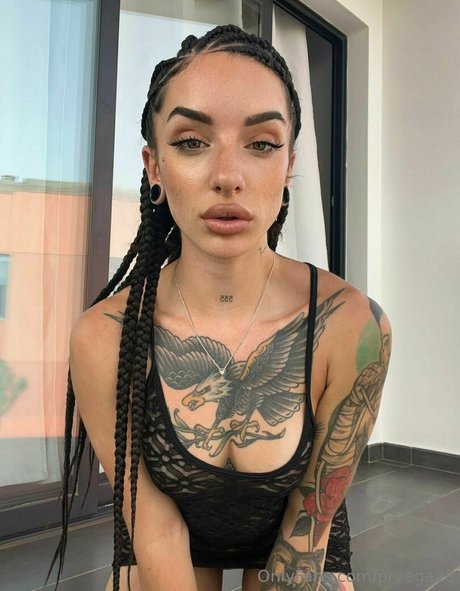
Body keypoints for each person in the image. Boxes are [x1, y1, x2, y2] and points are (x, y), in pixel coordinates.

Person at [50, 24, 391, 591]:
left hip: (295, 533)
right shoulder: (104, 335)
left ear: (289, 165)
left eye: (262, 144)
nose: (228, 177)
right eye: (191, 142)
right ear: (154, 167)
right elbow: (154, 528)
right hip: (165, 533)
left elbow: (307, 526)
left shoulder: (352, 326)